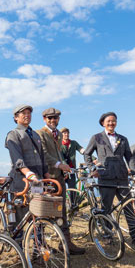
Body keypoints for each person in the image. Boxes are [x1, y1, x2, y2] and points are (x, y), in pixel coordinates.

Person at [83, 112, 135, 246]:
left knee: (128, 208)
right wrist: (93, 169)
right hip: (106, 178)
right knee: (106, 208)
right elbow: (87, 154)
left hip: (122, 177)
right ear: (103, 123)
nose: (111, 123)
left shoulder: (123, 139)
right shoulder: (97, 138)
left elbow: (129, 157)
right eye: (108, 121)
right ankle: (107, 236)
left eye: (113, 121)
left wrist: (134, 173)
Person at [36, 109, 85, 255]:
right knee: (43, 212)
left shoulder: (58, 134)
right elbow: (43, 154)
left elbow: (59, 154)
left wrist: (63, 168)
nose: (53, 120)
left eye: (55, 117)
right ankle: (41, 245)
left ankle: (65, 243)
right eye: (50, 118)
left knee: (61, 211)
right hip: (47, 177)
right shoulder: (40, 133)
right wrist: (59, 165)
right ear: (44, 119)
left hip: (59, 177)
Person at [5, 105, 48, 229]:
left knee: (38, 210)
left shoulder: (35, 135)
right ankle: (18, 243)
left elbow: (42, 157)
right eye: (23, 113)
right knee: (20, 211)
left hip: (37, 178)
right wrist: (28, 173)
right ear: (16, 117)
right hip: (21, 178)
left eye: (29, 113)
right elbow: (16, 158)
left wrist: (46, 175)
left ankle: (38, 244)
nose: (27, 115)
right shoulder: (13, 134)